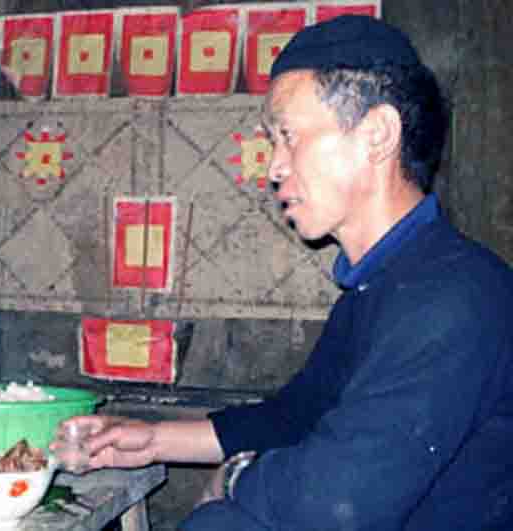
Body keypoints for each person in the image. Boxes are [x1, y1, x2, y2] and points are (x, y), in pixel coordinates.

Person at [50, 14, 513, 530]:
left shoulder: (453, 298)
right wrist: (155, 439)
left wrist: (235, 478)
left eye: (288, 136)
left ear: (377, 134)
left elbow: (336, 503)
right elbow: (297, 416)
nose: (273, 167)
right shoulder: (381, 286)